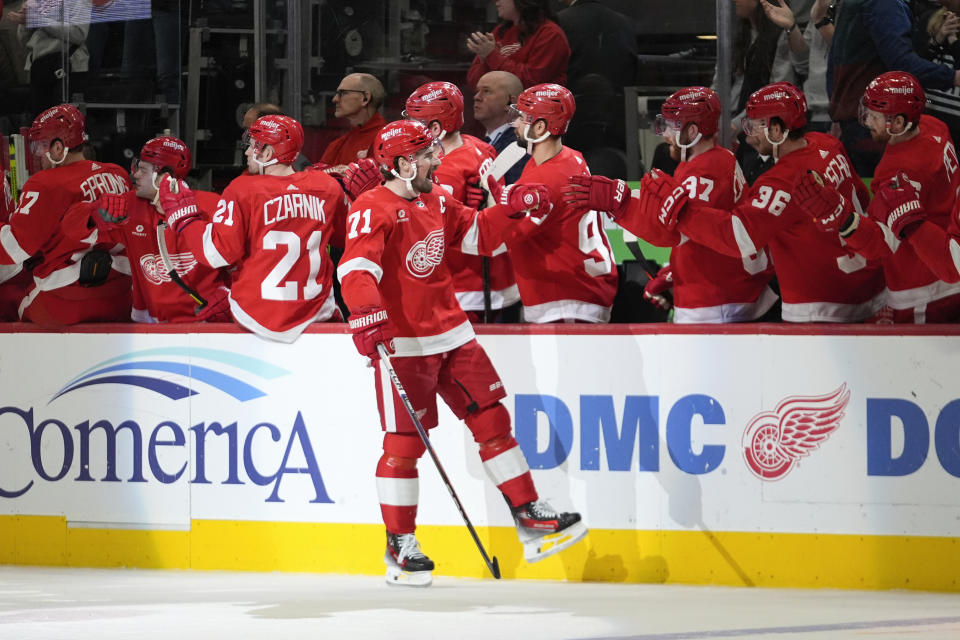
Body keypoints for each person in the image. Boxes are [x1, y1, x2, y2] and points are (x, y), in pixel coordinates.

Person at [337, 118, 586, 587]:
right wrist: (368, 313)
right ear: (404, 163)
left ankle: (530, 515)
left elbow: (479, 236)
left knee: (492, 420)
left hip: (453, 333)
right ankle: (400, 542)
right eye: (428, 155)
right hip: (405, 344)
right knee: (405, 445)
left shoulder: (434, 199)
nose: (438, 161)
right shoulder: (373, 208)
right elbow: (356, 269)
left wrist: (515, 208)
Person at [624, 82, 886, 323]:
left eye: (756, 125)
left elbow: (738, 237)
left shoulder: (782, 182)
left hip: (822, 304)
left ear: (776, 129)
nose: (749, 135)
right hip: (868, 285)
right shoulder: (828, 144)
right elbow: (861, 198)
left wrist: (680, 209)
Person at [565, 86, 779, 323]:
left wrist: (619, 203)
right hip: (724, 291)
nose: (664, 133)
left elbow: (672, 233)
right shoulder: (713, 159)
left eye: (672, 126)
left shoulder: (703, 171)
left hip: (715, 300)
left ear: (693, 131)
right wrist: (676, 271)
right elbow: (700, 234)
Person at [155, 114, 346, 342]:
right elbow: (346, 237)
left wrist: (184, 219)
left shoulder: (243, 189)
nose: (247, 152)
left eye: (254, 146)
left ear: (267, 153)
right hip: (317, 316)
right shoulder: (326, 186)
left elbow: (215, 254)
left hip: (253, 318)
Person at [808, 71, 960, 323]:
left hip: (922, 291)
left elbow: (879, 243)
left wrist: (842, 218)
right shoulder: (936, 127)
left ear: (898, 123)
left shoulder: (895, 173)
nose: (867, 121)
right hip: (950, 265)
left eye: (875, 116)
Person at [62, 135, 232, 323]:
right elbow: (70, 230)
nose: (135, 175)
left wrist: (231, 297)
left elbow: (242, 258)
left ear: (165, 174)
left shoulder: (212, 205)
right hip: (151, 323)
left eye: (143, 169)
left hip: (206, 322)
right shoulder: (130, 205)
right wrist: (92, 214)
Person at [0, 103, 132, 326]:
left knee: (6, 299)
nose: (37, 155)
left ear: (59, 149)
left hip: (64, 300)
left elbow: (10, 251)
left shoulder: (46, 183)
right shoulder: (117, 173)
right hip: (120, 296)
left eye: (41, 146)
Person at [404, 80, 520, 322]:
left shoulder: (442, 171)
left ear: (435, 129)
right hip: (493, 280)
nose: (408, 128)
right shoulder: (479, 147)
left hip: (462, 286)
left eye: (416, 122)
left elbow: (423, 235)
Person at [502, 82, 618, 323]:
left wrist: (492, 203)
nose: (515, 123)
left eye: (523, 118)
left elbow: (502, 237)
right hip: (577, 285)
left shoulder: (547, 177)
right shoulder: (569, 157)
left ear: (541, 126)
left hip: (566, 298)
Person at [827, 0, 960, 177]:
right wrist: (953, 77)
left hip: (860, 116)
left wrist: (838, 110)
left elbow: (834, 64)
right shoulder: (884, 4)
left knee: (870, 196)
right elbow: (902, 64)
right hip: (878, 119)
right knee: (890, 197)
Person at [466, 0, 570, 90]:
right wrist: (485, 59)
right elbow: (475, 84)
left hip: (536, 109)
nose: (495, 0)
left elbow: (531, 82)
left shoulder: (550, 33)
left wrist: (491, 56)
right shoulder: (500, 31)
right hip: (500, 109)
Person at [317, 73, 387, 174]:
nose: (335, 99)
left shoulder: (388, 142)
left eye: (343, 93)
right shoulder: (336, 146)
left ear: (365, 98)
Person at [473, 70, 529, 185]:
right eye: (477, 91)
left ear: (510, 102)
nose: (476, 97)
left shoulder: (521, 147)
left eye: (486, 91)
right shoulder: (479, 143)